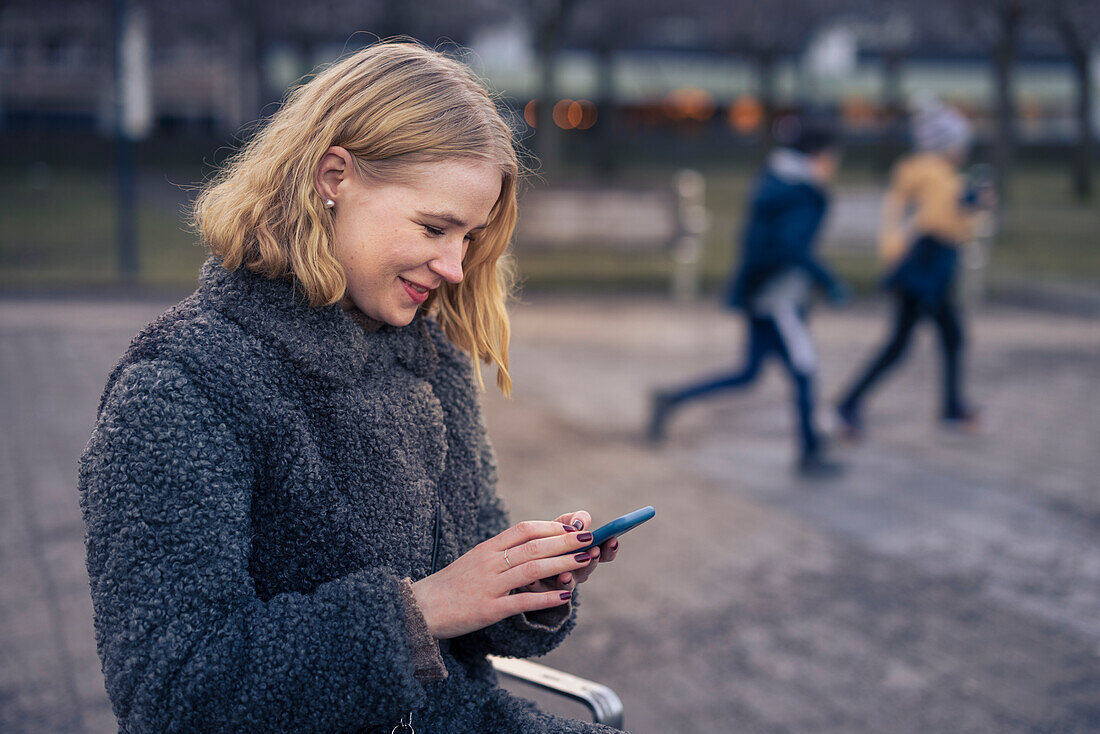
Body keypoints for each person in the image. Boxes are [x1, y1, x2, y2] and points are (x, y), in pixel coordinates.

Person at [78, 42, 623, 733]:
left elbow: (470, 611)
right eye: (435, 227)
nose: (456, 267)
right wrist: (420, 612)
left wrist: (526, 583)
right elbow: (173, 694)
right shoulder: (181, 384)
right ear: (334, 176)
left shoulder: (431, 355)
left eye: (469, 237)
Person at [647, 123, 849, 478]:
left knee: (748, 373)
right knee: (803, 370)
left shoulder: (776, 181)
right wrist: (829, 280)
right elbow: (791, 246)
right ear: (818, 156)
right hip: (779, 297)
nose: (835, 163)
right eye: (832, 156)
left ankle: (672, 398)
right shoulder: (800, 191)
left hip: (761, 292)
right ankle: (811, 453)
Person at [835, 99, 986, 439]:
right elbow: (936, 224)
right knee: (906, 344)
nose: (963, 150)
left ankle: (950, 407)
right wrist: (969, 204)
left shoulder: (926, 171)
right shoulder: (934, 174)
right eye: (959, 143)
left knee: (943, 338)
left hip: (919, 270)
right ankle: (849, 404)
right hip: (925, 272)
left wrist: (966, 205)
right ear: (946, 144)